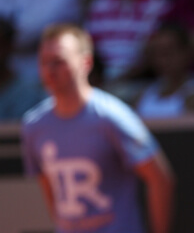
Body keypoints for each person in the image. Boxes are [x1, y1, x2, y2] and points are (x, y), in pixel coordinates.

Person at [20, 24, 175, 233]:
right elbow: (46, 190)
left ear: (86, 62)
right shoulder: (33, 126)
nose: (50, 70)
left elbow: (160, 179)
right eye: (44, 62)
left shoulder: (113, 118)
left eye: (59, 61)